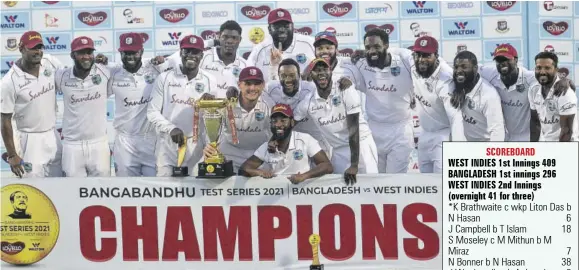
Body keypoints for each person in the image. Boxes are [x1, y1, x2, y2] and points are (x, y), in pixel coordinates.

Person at [295, 58, 378, 185]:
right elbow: (290, 122)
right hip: (338, 150)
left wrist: (354, 165)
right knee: (342, 191)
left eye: (325, 69)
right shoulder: (308, 101)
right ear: (311, 75)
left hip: (362, 145)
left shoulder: (345, 89)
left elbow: (353, 128)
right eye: (317, 70)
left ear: (331, 71)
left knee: (370, 186)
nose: (321, 73)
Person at [147, 35, 219, 176]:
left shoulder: (210, 80)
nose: (191, 55)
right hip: (168, 144)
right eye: (187, 51)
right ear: (180, 53)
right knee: (166, 190)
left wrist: (210, 106)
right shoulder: (165, 78)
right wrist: (171, 128)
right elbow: (152, 112)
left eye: (195, 52)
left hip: (196, 146)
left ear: (202, 55)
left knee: (194, 191)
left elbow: (212, 117)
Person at [1, 31, 62, 178]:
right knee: (34, 187)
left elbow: (71, 79)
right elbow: (4, 121)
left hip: (52, 135)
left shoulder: (50, 63)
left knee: (60, 185)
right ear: (21, 49)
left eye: (40, 47)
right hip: (29, 140)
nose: (38, 51)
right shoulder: (9, 82)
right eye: (33, 48)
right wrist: (12, 155)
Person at [480, 44, 572, 141]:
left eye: (506, 59)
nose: (503, 63)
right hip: (504, 136)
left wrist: (564, 80)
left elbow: (550, 78)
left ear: (516, 60)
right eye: (499, 60)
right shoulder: (490, 73)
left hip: (528, 136)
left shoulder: (530, 78)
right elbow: (471, 66)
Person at [353, 28, 415, 174]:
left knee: (395, 181)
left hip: (400, 130)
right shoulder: (361, 64)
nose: (372, 51)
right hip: (374, 130)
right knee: (375, 181)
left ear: (387, 45)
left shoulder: (404, 61)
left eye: (376, 47)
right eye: (368, 48)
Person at [55, 36, 112, 177]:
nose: (86, 57)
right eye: (81, 53)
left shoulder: (106, 72)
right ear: (72, 55)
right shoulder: (61, 76)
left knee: (102, 191)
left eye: (89, 52)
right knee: (73, 192)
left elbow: (132, 66)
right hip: (72, 145)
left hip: (99, 143)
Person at [108, 33, 161, 176]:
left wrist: (213, 42)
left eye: (134, 52)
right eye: (126, 53)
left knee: (155, 189)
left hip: (151, 139)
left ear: (142, 52)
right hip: (125, 141)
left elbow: (178, 60)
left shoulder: (155, 67)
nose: (130, 56)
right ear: (120, 53)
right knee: (126, 190)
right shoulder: (113, 73)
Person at [239, 103, 333, 184]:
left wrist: (304, 176)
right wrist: (260, 173)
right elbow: (243, 169)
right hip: (277, 197)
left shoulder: (305, 139)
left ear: (292, 122)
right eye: (274, 121)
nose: (278, 125)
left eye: (283, 120)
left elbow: (327, 166)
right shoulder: (265, 147)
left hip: (302, 193)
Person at [201, 67, 272, 172]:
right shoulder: (225, 103)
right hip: (230, 154)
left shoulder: (270, 105)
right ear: (239, 85)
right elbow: (212, 127)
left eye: (257, 83)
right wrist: (210, 146)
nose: (252, 88)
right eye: (247, 83)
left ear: (263, 85)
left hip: (258, 157)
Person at [411, 36, 464, 173]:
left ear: (436, 56)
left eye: (427, 55)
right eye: (418, 55)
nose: (421, 60)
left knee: (442, 185)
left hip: (443, 137)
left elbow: (456, 118)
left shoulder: (446, 80)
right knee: (427, 185)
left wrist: (458, 150)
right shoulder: (412, 65)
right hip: (424, 134)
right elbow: (398, 53)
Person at [165, 20, 247, 93]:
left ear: (240, 40)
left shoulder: (245, 66)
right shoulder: (203, 56)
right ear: (219, 37)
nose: (229, 41)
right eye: (225, 37)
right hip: (200, 108)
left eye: (234, 38)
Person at [247, 8, 315, 83]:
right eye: (277, 27)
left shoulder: (310, 43)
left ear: (292, 27)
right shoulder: (259, 50)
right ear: (269, 29)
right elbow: (248, 77)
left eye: (286, 26)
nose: (282, 30)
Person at [450, 51, 505, 141]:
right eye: (456, 67)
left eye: (464, 67)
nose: (459, 71)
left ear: (475, 68)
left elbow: (497, 131)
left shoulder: (489, 95)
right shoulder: (455, 84)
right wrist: (458, 89)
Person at [529, 52, 578, 141]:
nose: (542, 72)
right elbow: (535, 122)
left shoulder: (565, 92)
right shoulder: (533, 89)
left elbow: (566, 131)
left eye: (547, 68)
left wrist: (557, 153)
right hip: (546, 144)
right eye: (538, 68)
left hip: (566, 146)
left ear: (556, 70)